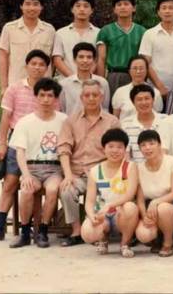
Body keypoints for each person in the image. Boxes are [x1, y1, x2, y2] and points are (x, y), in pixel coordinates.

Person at [0, 50, 58, 244]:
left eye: (41, 64)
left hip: (42, 144)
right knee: (10, 183)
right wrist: (2, 144)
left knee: (35, 186)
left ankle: (36, 229)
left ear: (46, 68)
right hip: (18, 141)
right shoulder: (14, 89)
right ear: (26, 66)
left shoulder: (50, 90)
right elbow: (5, 118)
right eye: (33, 63)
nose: (37, 67)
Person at [58, 79, 120, 247]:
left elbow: (117, 149)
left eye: (95, 95)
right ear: (81, 97)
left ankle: (100, 230)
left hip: (101, 174)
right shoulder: (70, 121)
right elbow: (64, 149)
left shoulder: (112, 121)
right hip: (77, 173)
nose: (91, 98)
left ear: (102, 97)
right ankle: (77, 231)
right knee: (66, 190)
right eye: (87, 95)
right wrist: (68, 175)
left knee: (110, 192)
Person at [8, 78, 68, 248]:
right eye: (42, 95)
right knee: (27, 189)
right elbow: (20, 151)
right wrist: (26, 174)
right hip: (31, 168)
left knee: (52, 189)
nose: (46, 99)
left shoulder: (64, 120)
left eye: (50, 96)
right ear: (36, 96)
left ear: (56, 98)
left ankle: (43, 231)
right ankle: (25, 232)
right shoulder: (25, 122)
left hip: (54, 168)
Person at [80, 128, 140, 257]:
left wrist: (110, 205)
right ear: (104, 148)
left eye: (119, 147)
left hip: (121, 215)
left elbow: (130, 194)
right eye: (111, 146)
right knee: (87, 233)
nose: (115, 150)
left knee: (131, 207)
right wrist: (91, 215)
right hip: (102, 215)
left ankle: (125, 244)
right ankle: (103, 240)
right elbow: (89, 201)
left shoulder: (130, 167)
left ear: (125, 149)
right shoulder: (95, 171)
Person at [134, 130, 173, 257]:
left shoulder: (172, 162)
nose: (147, 148)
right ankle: (157, 237)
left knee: (163, 208)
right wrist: (144, 216)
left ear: (159, 145)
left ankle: (168, 242)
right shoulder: (138, 168)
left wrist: (155, 202)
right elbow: (140, 200)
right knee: (143, 235)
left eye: (151, 143)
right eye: (143, 145)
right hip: (150, 209)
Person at [0, 0, 56, 94]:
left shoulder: (50, 30)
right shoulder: (9, 28)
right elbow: (3, 58)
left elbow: (53, 60)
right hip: (16, 85)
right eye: (27, 4)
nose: (32, 8)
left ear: (41, 7)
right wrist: (4, 86)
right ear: (21, 6)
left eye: (36, 4)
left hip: (43, 88)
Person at [97, 0, 147, 100]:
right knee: (114, 105)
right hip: (114, 76)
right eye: (119, 5)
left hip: (136, 75)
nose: (122, 7)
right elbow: (101, 59)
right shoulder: (106, 31)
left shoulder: (142, 31)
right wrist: (101, 82)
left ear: (134, 8)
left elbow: (145, 58)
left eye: (126, 4)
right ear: (114, 9)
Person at [139, 0, 173, 102]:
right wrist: (160, 86)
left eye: (171, 8)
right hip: (153, 89)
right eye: (164, 8)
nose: (167, 11)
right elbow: (145, 63)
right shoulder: (149, 34)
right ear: (158, 12)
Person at [52, 0, 99, 79]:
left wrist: (85, 77)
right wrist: (74, 78)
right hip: (66, 82)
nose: (82, 9)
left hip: (91, 83)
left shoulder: (99, 33)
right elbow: (57, 59)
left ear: (92, 10)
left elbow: (98, 59)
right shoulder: (61, 33)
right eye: (78, 6)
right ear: (72, 9)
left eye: (86, 6)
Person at [59, 43, 110, 117]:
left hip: (96, 123)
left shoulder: (102, 82)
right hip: (72, 123)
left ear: (94, 60)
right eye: (81, 57)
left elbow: (105, 108)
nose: (85, 60)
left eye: (89, 57)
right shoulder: (64, 84)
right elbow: (62, 110)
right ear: (74, 59)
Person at [121, 84, 166, 163]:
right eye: (139, 99)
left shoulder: (166, 120)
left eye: (147, 98)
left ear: (153, 100)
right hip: (136, 168)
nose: (144, 102)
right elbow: (126, 155)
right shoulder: (125, 124)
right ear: (133, 102)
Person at [111, 56, 164, 120]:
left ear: (147, 70)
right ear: (129, 71)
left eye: (141, 68)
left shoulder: (155, 92)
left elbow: (157, 116)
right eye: (135, 68)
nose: (138, 71)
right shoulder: (120, 92)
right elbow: (116, 118)